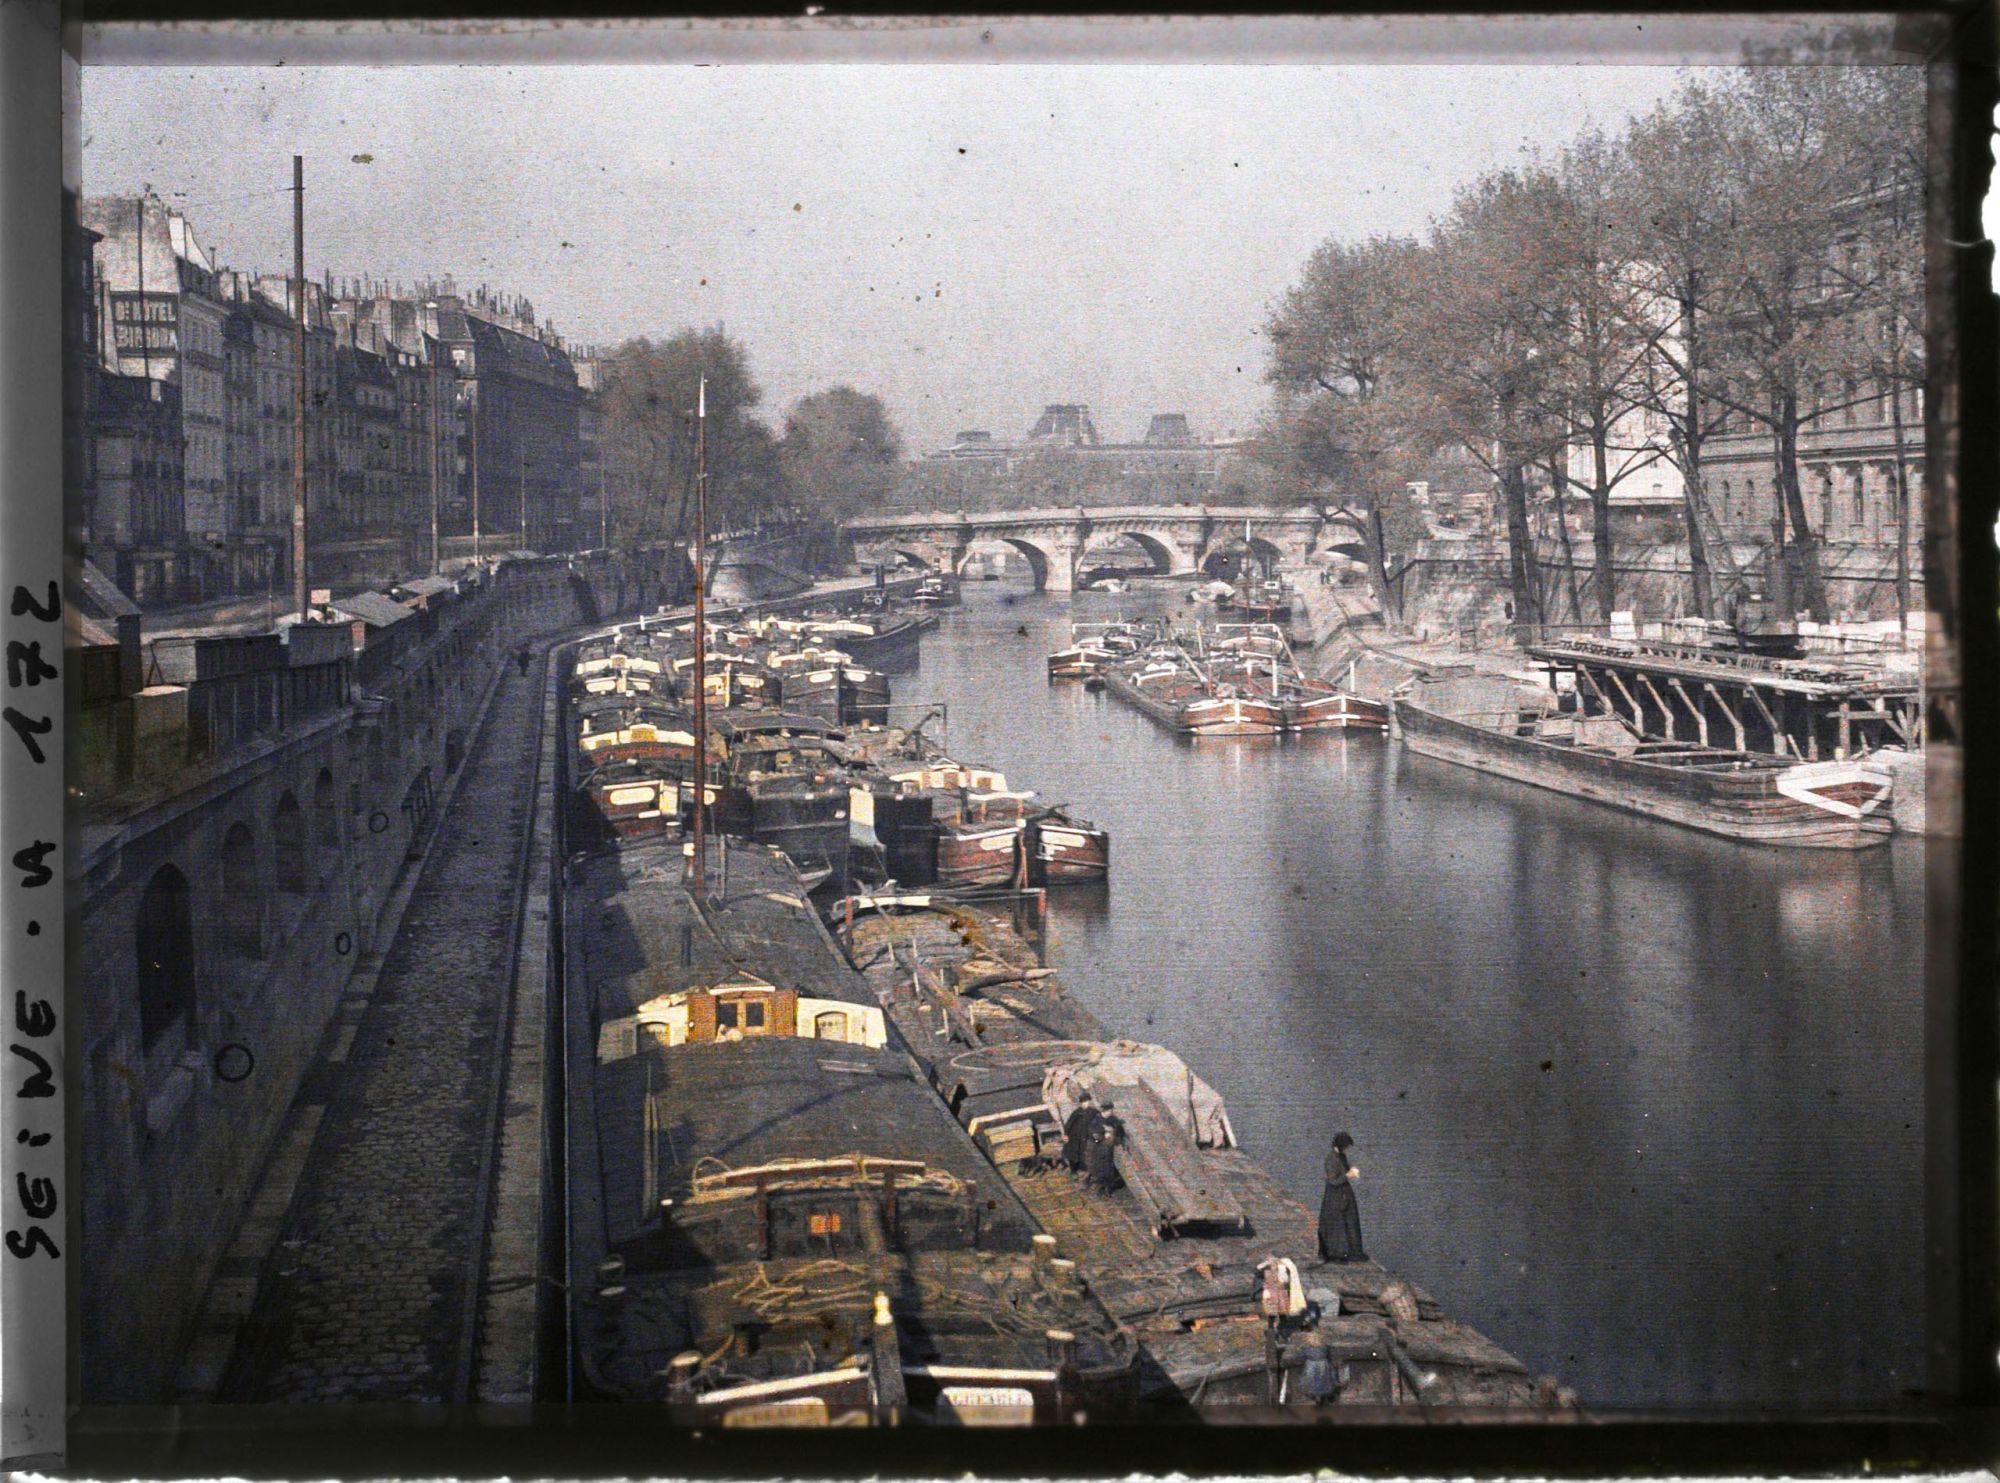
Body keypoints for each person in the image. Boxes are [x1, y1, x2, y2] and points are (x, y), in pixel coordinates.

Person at [1318, 1131, 1366, 1262]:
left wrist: (1351, 1170)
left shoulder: (1341, 1156)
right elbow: (1333, 1181)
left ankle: (1352, 1252)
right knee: (1337, 1226)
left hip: (1344, 1195)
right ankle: (1337, 1254)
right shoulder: (1331, 1159)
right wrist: (1348, 1176)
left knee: (1350, 1223)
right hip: (1335, 1197)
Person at [1059, 1090, 1103, 1173]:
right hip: (1075, 1135)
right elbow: (1069, 1124)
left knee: (1084, 1151)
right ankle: (1073, 1170)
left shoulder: (1093, 1112)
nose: (1085, 1104)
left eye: (1087, 1102)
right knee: (1073, 1152)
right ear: (1080, 1103)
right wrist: (1066, 1134)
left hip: (1085, 1135)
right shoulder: (1077, 1112)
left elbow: (1100, 1118)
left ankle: (1085, 1168)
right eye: (1083, 1102)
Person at [1084, 1110, 1124, 1194]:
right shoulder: (1100, 1141)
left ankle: (1103, 1185)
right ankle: (1104, 1186)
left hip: (1101, 1166)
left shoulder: (1100, 1140)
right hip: (1101, 1166)